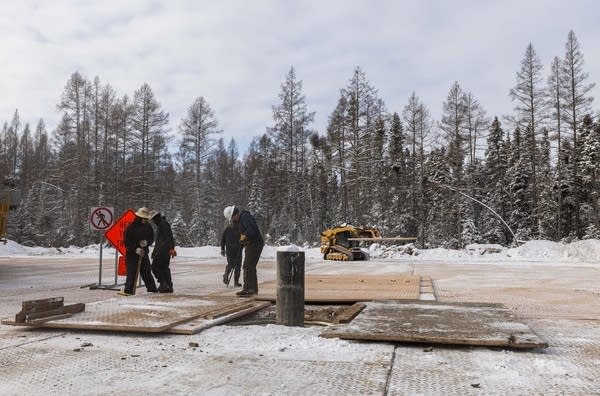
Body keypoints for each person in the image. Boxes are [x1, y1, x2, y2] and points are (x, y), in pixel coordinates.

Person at [223, 205, 264, 296]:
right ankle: (253, 289)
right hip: (251, 244)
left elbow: (252, 229)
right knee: (250, 266)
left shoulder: (245, 217)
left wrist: (245, 235)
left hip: (255, 244)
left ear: (234, 214)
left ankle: (248, 289)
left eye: (232, 218)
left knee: (248, 266)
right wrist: (242, 242)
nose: (233, 220)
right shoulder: (242, 219)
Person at [121, 207, 158, 295]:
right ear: (139, 217)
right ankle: (129, 291)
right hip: (132, 255)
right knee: (132, 273)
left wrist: (147, 242)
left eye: (146, 219)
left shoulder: (148, 227)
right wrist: (135, 249)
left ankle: (152, 289)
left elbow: (151, 238)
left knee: (147, 272)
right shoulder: (130, 228)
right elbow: (127, 242)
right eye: (144, 219)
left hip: (143, 254)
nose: (145, 220)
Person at [150, 211, 177, 293]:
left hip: (163, 250)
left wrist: (171, 248)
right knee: (164, 268)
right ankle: (168, 285)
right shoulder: (162, 224)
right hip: (164, 250)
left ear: (156, 218)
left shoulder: (163, 224)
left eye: (153, 220)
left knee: (155, 267)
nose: (153, 222)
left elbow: (169, 237)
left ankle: (164, 284)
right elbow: (159, 241)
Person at [220, 222, 242, 287]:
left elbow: (243, 239)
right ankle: (226, 275)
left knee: (238, 266)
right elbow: (223, 239)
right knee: (231, 264)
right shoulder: (227, 229)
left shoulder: (240, 229)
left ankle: (236, 282)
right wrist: (222, 249)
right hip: (230, 250)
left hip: (238, 250)